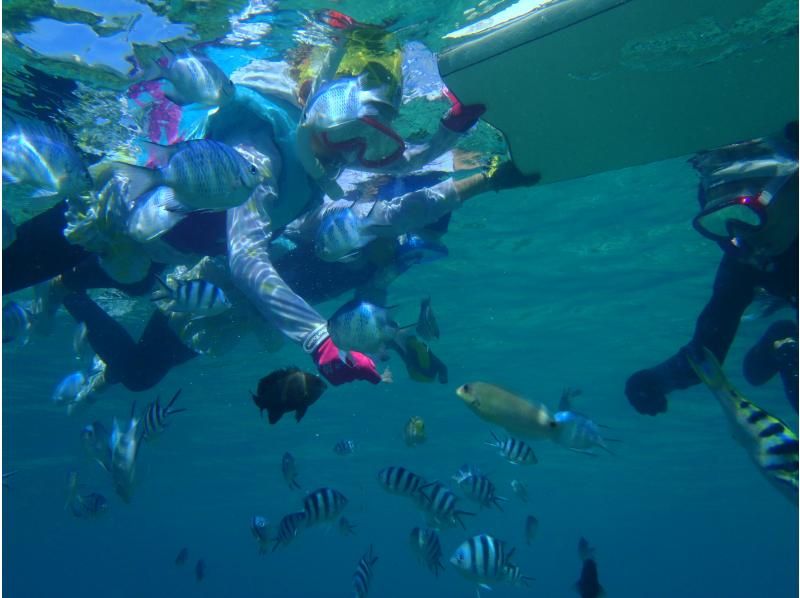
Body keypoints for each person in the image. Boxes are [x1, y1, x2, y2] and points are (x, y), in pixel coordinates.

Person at [625, 123, 798, 415]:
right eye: (719, 223)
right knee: (755, 373)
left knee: (756, 373)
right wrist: (653, 382)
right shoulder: (744, 260)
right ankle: (784, 345)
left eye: (748, 213)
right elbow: (705, 356)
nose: (741, 239)